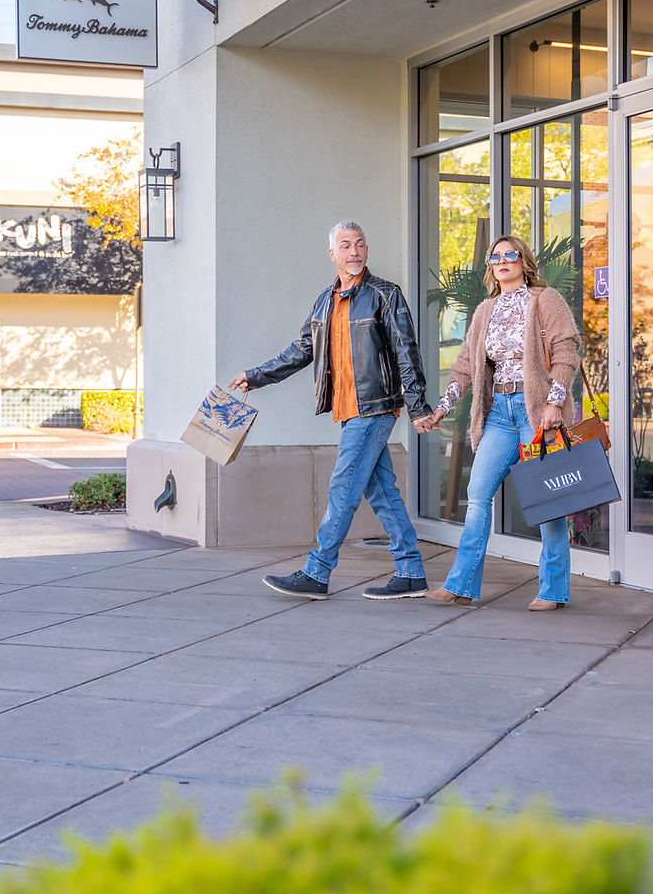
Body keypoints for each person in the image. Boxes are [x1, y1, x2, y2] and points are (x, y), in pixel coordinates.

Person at [228, 221, 435, 600]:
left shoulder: (385, 294)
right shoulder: (325, 300)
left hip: (374, 408)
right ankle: (411, 571)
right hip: (346, 409)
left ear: (366, 250)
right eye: (345, 245)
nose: (354, 252)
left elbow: (407, 351)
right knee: (381, 492)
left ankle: (317, 571)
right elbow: (302, 349)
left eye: (360, 244)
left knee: (343, 489)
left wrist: (417, 405)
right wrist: (255, 376)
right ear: (332, 254)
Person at [421, 234, 581, 610]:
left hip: (535, 412)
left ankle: (553, 591)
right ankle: (461, 585)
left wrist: (554, 403)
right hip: (499, 413)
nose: (503, 261)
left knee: (548, 501)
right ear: (491, 267)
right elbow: (465, 365)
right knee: (478, 495)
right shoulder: (485, 311)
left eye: (511, 255)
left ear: (524, 261)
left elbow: (566, 350)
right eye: (496, 257)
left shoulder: (545, 299)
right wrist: (442, 407)